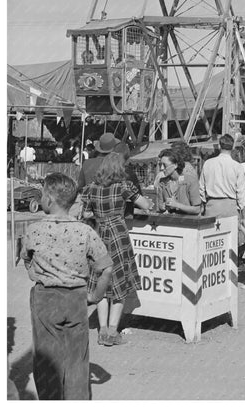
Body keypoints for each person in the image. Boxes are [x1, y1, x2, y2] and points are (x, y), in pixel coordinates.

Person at [21, 173, 113, 399]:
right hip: (76, 298)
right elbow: (107, 268)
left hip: (46, 298)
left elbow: (26, 259)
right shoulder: (85, 231)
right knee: (77, 359)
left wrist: (35, 272)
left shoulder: (34, 230)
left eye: (42, 194)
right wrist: (96, 296)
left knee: (47, 359)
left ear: (50, 199)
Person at [81, 153, 151, 346]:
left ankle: (102, 331)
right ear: (119, 168)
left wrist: (98, 215)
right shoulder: (123, 186)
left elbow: (86, 213)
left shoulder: (91, 188)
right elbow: (145, 205)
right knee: (120, 283)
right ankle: (113, 332)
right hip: (119, 234)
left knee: (101, 282)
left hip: (99, 235)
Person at [199, 134, 245, 225]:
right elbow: (241, 193)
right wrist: (244, 216)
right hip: (230, 206)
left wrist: (203, 204)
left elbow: (201, 188)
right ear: (233, 147)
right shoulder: (237, 166)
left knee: (210, 237)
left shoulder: (208, 163)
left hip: (212, 205)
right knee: (230, 237)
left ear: (219, 146)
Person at [156, 149, 201, 215]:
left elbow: (197, 209)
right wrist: (163, 207)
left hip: (188, 222)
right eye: (160, 165)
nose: (161, 168)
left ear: (175, 165)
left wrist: (177, 205)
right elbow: (160, 207)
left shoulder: (190, 181)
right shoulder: (162, 182)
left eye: (164, 165)